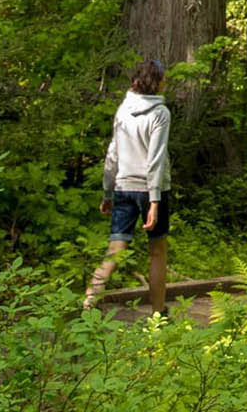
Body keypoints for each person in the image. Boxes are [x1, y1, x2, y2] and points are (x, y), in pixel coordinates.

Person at [84, 60, 171, 311]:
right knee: (157, 251)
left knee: (115, 249)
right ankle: (158, 313)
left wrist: (108, 191)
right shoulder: (160, 114)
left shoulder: (123, 110)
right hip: (152, 190)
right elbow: (155, 158)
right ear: (157, 81)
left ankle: (88, 302)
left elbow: (113, 153)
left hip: (123, 186)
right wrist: (154, 201)